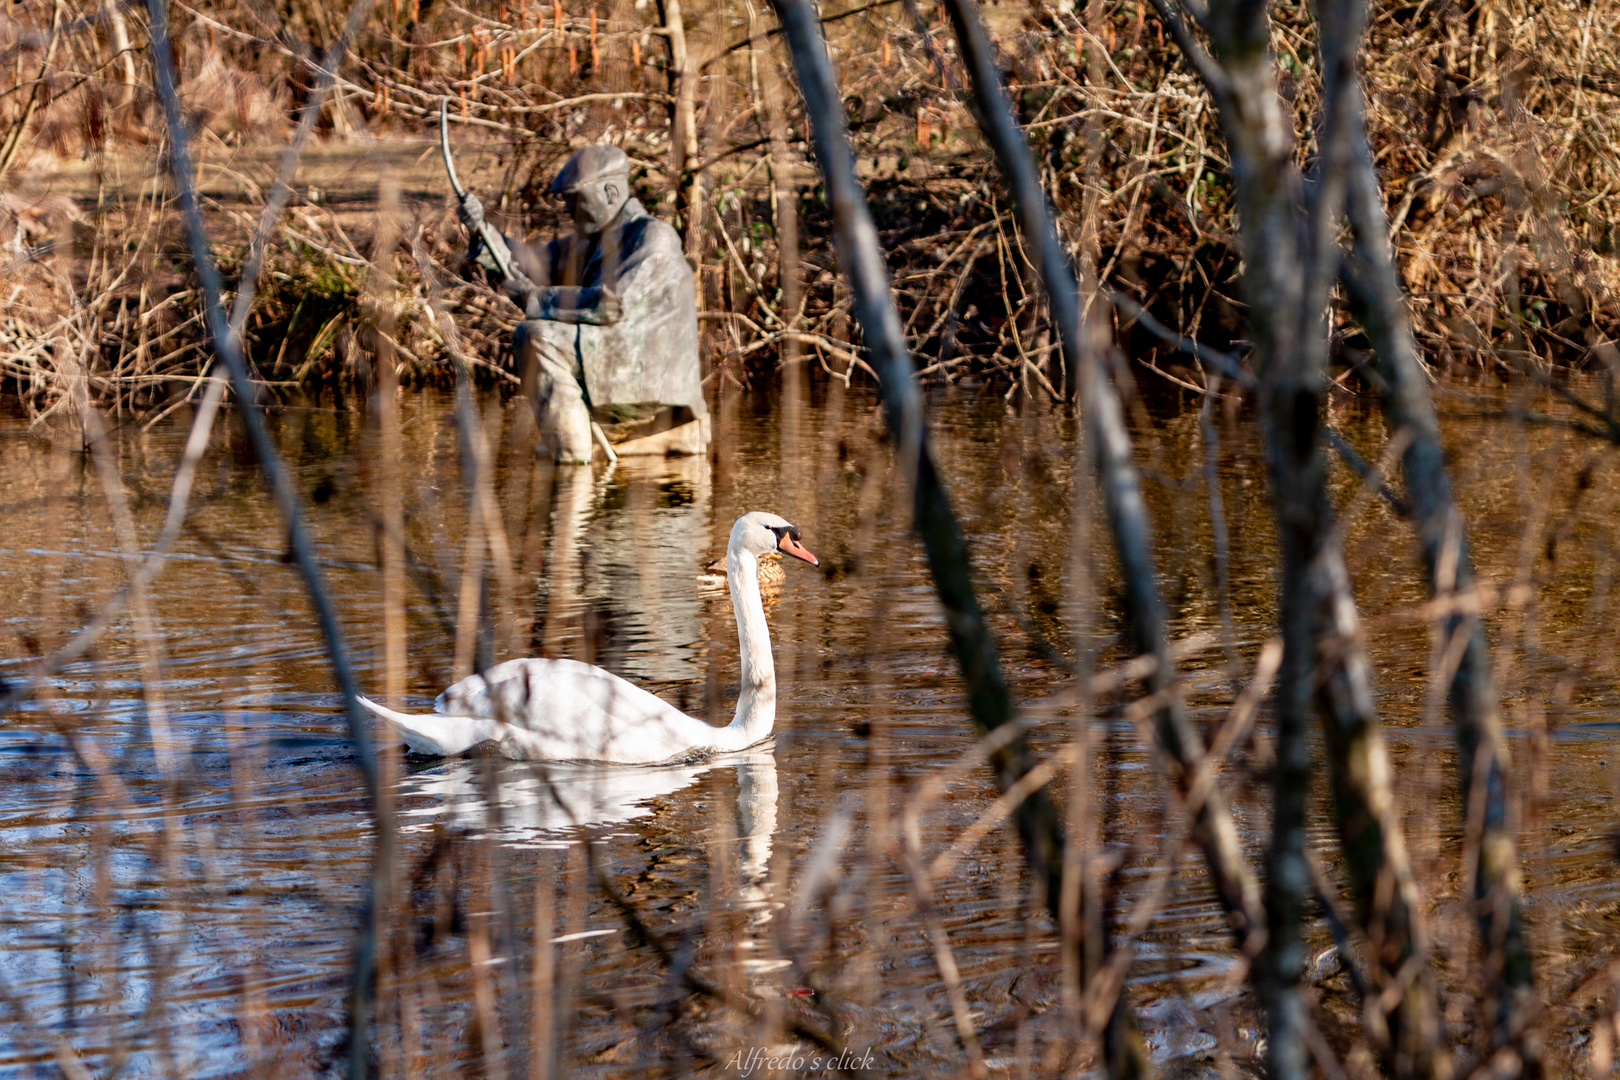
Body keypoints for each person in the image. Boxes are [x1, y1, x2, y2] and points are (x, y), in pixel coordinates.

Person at [458, 145, 708, 463]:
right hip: (611, 360)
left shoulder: (653, 237)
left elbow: (613, 305)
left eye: (574, 198)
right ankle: (566, 452)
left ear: (610, 190)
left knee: (538, 336)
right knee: (533, 333)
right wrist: (482, 230)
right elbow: (526, 265)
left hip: (650, 373)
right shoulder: (587, 242)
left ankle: (570, 459)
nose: (566, 210)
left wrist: (536, 299)